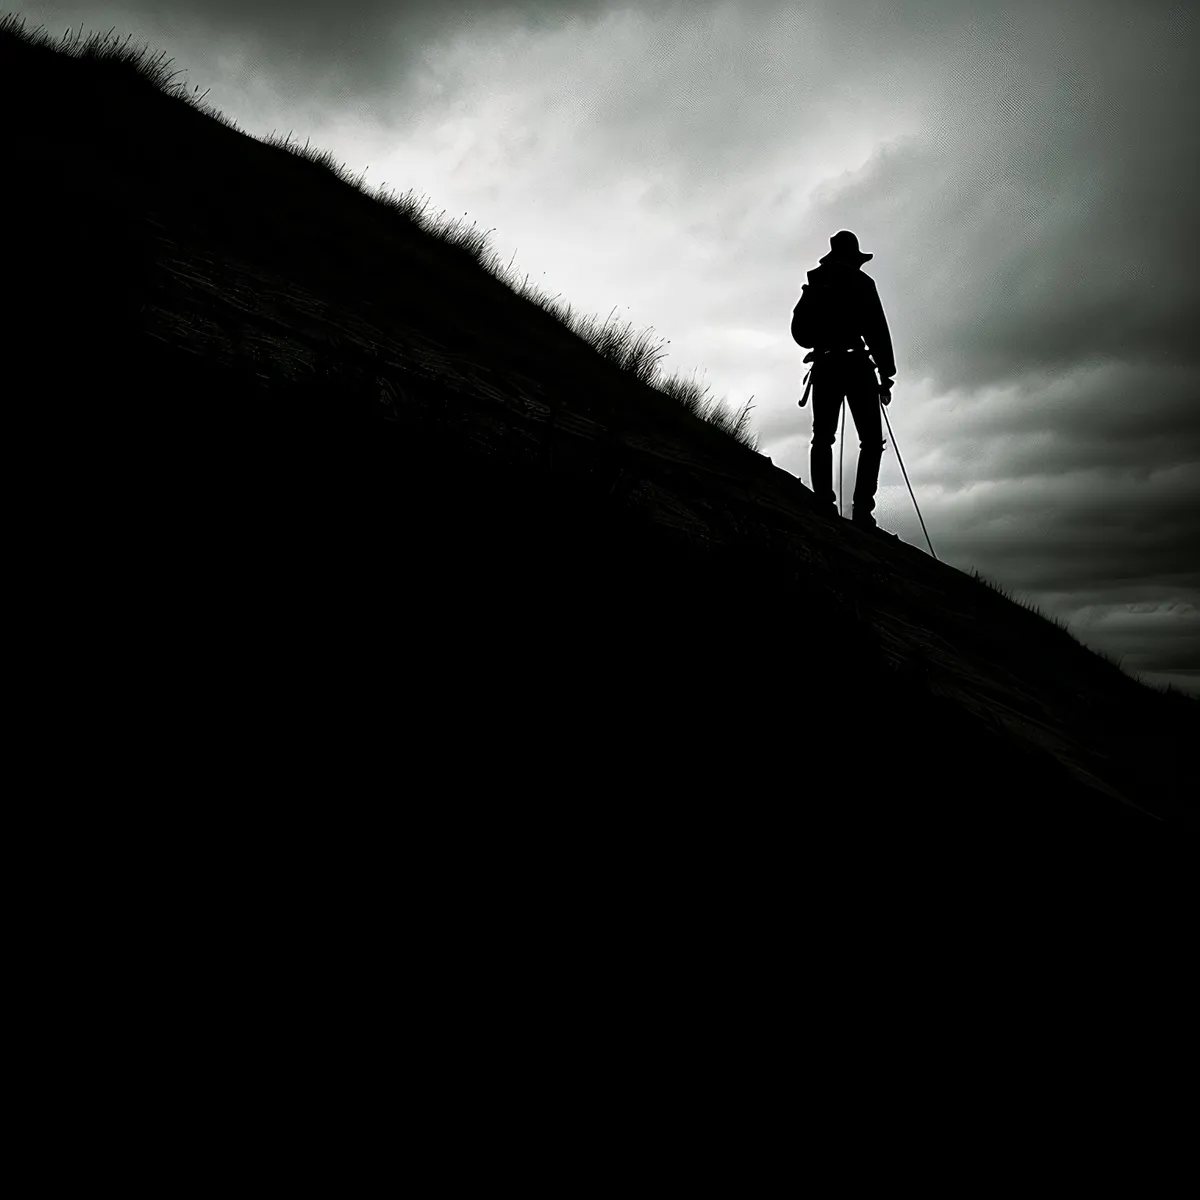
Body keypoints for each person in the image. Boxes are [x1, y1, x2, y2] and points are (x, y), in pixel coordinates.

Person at [792, 230, 896, 529]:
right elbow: (876, 328)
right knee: (872, 441)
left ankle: (823, 501)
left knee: (822, 436)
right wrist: (887, 371)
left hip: (824, 365)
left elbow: (800, 332)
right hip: (855, 366)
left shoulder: (815, 281)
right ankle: (862, 510)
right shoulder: (862, 283)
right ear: (853, 257)